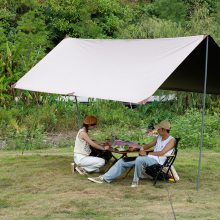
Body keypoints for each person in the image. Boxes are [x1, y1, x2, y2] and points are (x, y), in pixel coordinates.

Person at [88, 120, 176, 187]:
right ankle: (104, 178)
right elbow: (148, 145)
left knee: (140, 159)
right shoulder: (159, 137)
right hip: (148, 158)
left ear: (164, 130)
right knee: (122, 161)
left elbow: (162, 153)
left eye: (159, 128)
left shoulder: (172, 140)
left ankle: (135, 181)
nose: (157, 130)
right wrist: (139, 148)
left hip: (158, 161)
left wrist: (147, 154)